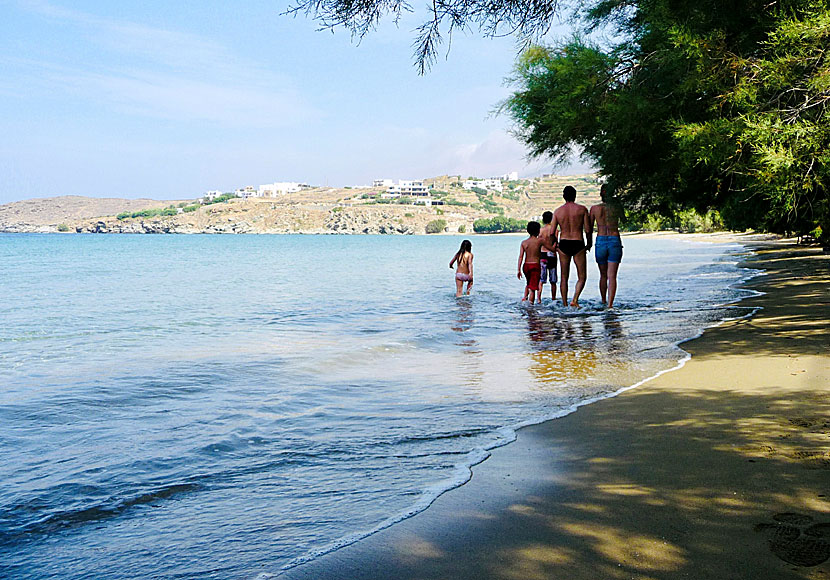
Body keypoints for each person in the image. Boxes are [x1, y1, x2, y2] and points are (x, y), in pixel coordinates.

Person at [550, 185, 591, 308]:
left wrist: (555, 243)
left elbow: (552, 232)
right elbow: (588, 230)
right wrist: (589, 243)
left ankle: (564, 303)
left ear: (564, 196)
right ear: (575, 195)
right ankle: (575, 299)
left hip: (564, 243)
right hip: (578, 242)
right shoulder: (582, 209)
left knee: (564, 277)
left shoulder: (558, 212)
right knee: (582, 276)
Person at [590, 184, 624, 308]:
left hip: (600, 240)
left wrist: (588, 243)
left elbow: (588, 228)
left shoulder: (594, 209)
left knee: (603, 275)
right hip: (614, 239)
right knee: (612, 276)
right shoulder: (617, 207)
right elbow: (624, 220)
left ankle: (603, 301)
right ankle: (610, 305)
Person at [517, 221, 544, 303]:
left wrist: (518, 269)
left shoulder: (524, 242)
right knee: (533, 289)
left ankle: (525, 299)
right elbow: (550, 248)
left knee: (529, 284)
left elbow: (521, 257)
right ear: (538, 231)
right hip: (535, 266)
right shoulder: (539, 241)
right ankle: (531, 308)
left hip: (526, 266)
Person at [539, 211, 558, 302]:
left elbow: (538, 243)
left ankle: (539, 299)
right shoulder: (555, 230)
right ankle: (553, 298)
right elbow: (556, 242)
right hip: (552, 254)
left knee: (541, 279)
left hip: (542, 254)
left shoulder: (541, 230)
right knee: (553, 280)